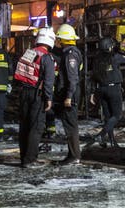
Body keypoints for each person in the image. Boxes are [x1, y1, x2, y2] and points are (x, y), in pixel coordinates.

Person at [89, 29, 125, 148]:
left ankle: (111, 141)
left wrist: (92, 93)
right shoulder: (114, 57)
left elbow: (93, 77)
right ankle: (102, 135)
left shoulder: (96, 60)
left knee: (108, 117)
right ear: (109, 47)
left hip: (101, 90)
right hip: (113, 89)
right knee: (116, 115)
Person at [14, 27, 56, 168]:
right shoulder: (47, 58)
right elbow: (49, 80)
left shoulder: (28, 53)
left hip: (23, 92)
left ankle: (24, 157)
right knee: (36, 127)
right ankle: (30, 159)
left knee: (24, 126)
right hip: (37, 95)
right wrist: (48, 98)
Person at [53, 24, 83, 165]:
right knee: (69, 125)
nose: (58, 40)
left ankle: (74, 156)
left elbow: (72, 78)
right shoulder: (70, 52)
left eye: (59, 38)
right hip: (70, 92)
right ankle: (72, 154)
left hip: (70, 93)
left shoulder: (71, 55)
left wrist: (69, 96)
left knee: (71, 126)